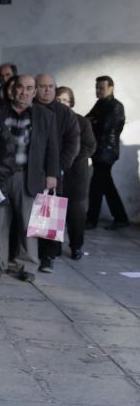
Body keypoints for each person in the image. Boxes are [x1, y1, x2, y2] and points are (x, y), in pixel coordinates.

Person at [0, 75, 59, 283]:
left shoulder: (46, 116)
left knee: (29, 224)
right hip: (0, 176)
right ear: (13, 90)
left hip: (29, 175)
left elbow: (53, 147)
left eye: (29, 88)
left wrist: (52, 174)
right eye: (20, 87)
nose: (24, 92)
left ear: (34, 92)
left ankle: (26, 265)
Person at [34, 73, 80, 273]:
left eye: (50, 86)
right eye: (42, 86)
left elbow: (73, 143)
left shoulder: (64, 113)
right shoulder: (30, 109)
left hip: (53, 172)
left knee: (49, 216)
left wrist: (57, 168)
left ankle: (48, 256)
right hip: (30, 171)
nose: (47, 90)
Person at [56, 86, 96, 259]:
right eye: (59, 100)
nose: (62, 103)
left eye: (65, 100)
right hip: (56, 174)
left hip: (76, 174)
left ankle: (76, 246)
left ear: (71, 102)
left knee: (76, 215)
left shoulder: (82, 121)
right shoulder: (51, 119)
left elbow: (90, 146)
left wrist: (69, 156)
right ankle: (52, 249)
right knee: (55, 212)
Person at [86, 76, 130, 230]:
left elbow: (105, 126)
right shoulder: (101, 103)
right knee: (106, 185)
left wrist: (94, 121)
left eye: (101, 88)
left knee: (96, 186)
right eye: (97, 88)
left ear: (111, 88)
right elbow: (87, 121)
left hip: (107, 152)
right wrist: (94, 121)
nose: (98, 91)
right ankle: (120, 218)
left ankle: (91, 220)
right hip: (100, 151)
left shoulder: (116, 106)